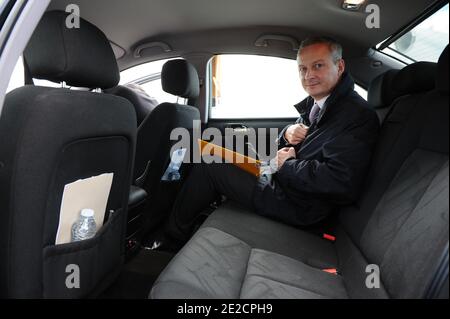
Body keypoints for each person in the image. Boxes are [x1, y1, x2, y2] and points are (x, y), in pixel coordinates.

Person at [163, 36, 380, 244]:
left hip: (300, 206)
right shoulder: (319, 106)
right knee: (212, 149)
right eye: (303, 69)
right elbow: (297, 148)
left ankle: (173, 237)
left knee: (209, 165)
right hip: (282, 184)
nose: (308, 75)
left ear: (339, 67)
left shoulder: (356, 115)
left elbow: (339, 181)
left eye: (318, 66)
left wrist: (286, 165)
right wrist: (287, 132)